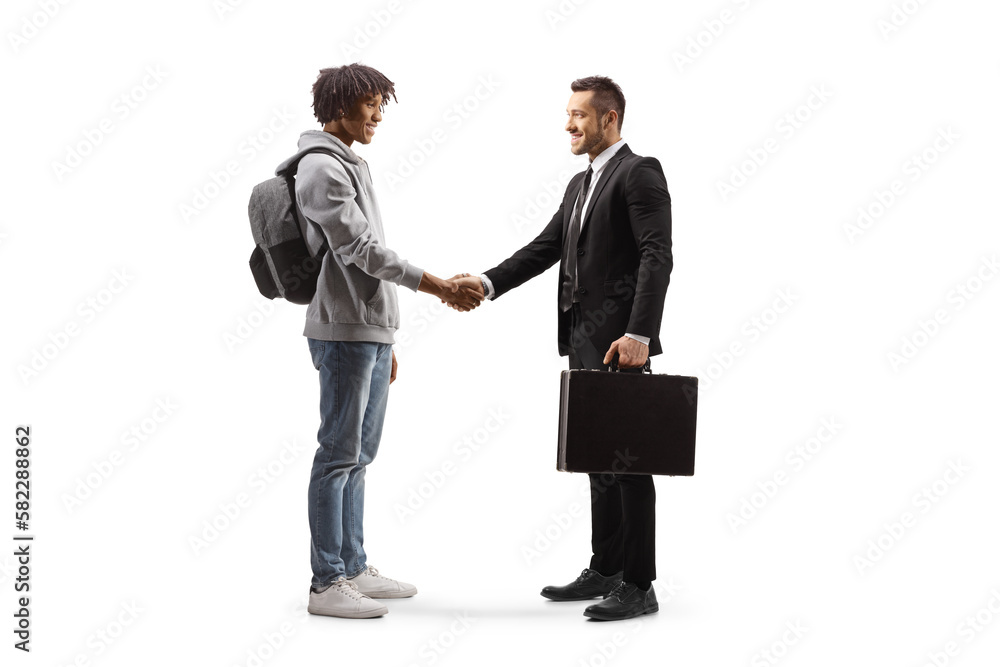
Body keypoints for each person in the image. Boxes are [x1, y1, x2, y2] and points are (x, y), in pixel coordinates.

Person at [451, 75, 672, 621]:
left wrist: (640, 334)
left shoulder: (639, 171)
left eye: (579, 115)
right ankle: (607, 568)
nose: (568, 124)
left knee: (630, 462)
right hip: (582, 338)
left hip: (621, 341)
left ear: (609, 119)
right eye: (568, 114)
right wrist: (486, 282)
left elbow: (657, 255)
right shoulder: (580, 184)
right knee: (598, 458)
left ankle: (640, 584)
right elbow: (546, 247)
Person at [279, 63, 483, 619]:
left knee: (360, 455)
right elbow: (362, 251)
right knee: (337, 455)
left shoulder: (349, 162)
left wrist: (386, 338)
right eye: (370, 104)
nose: (378, 115)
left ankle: (352, 565)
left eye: (380, 105)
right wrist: (438, 286)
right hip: (342, 330)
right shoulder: (320, 168)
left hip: (366, 331)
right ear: (339, 106)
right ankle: (326, 582)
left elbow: (366, 259)